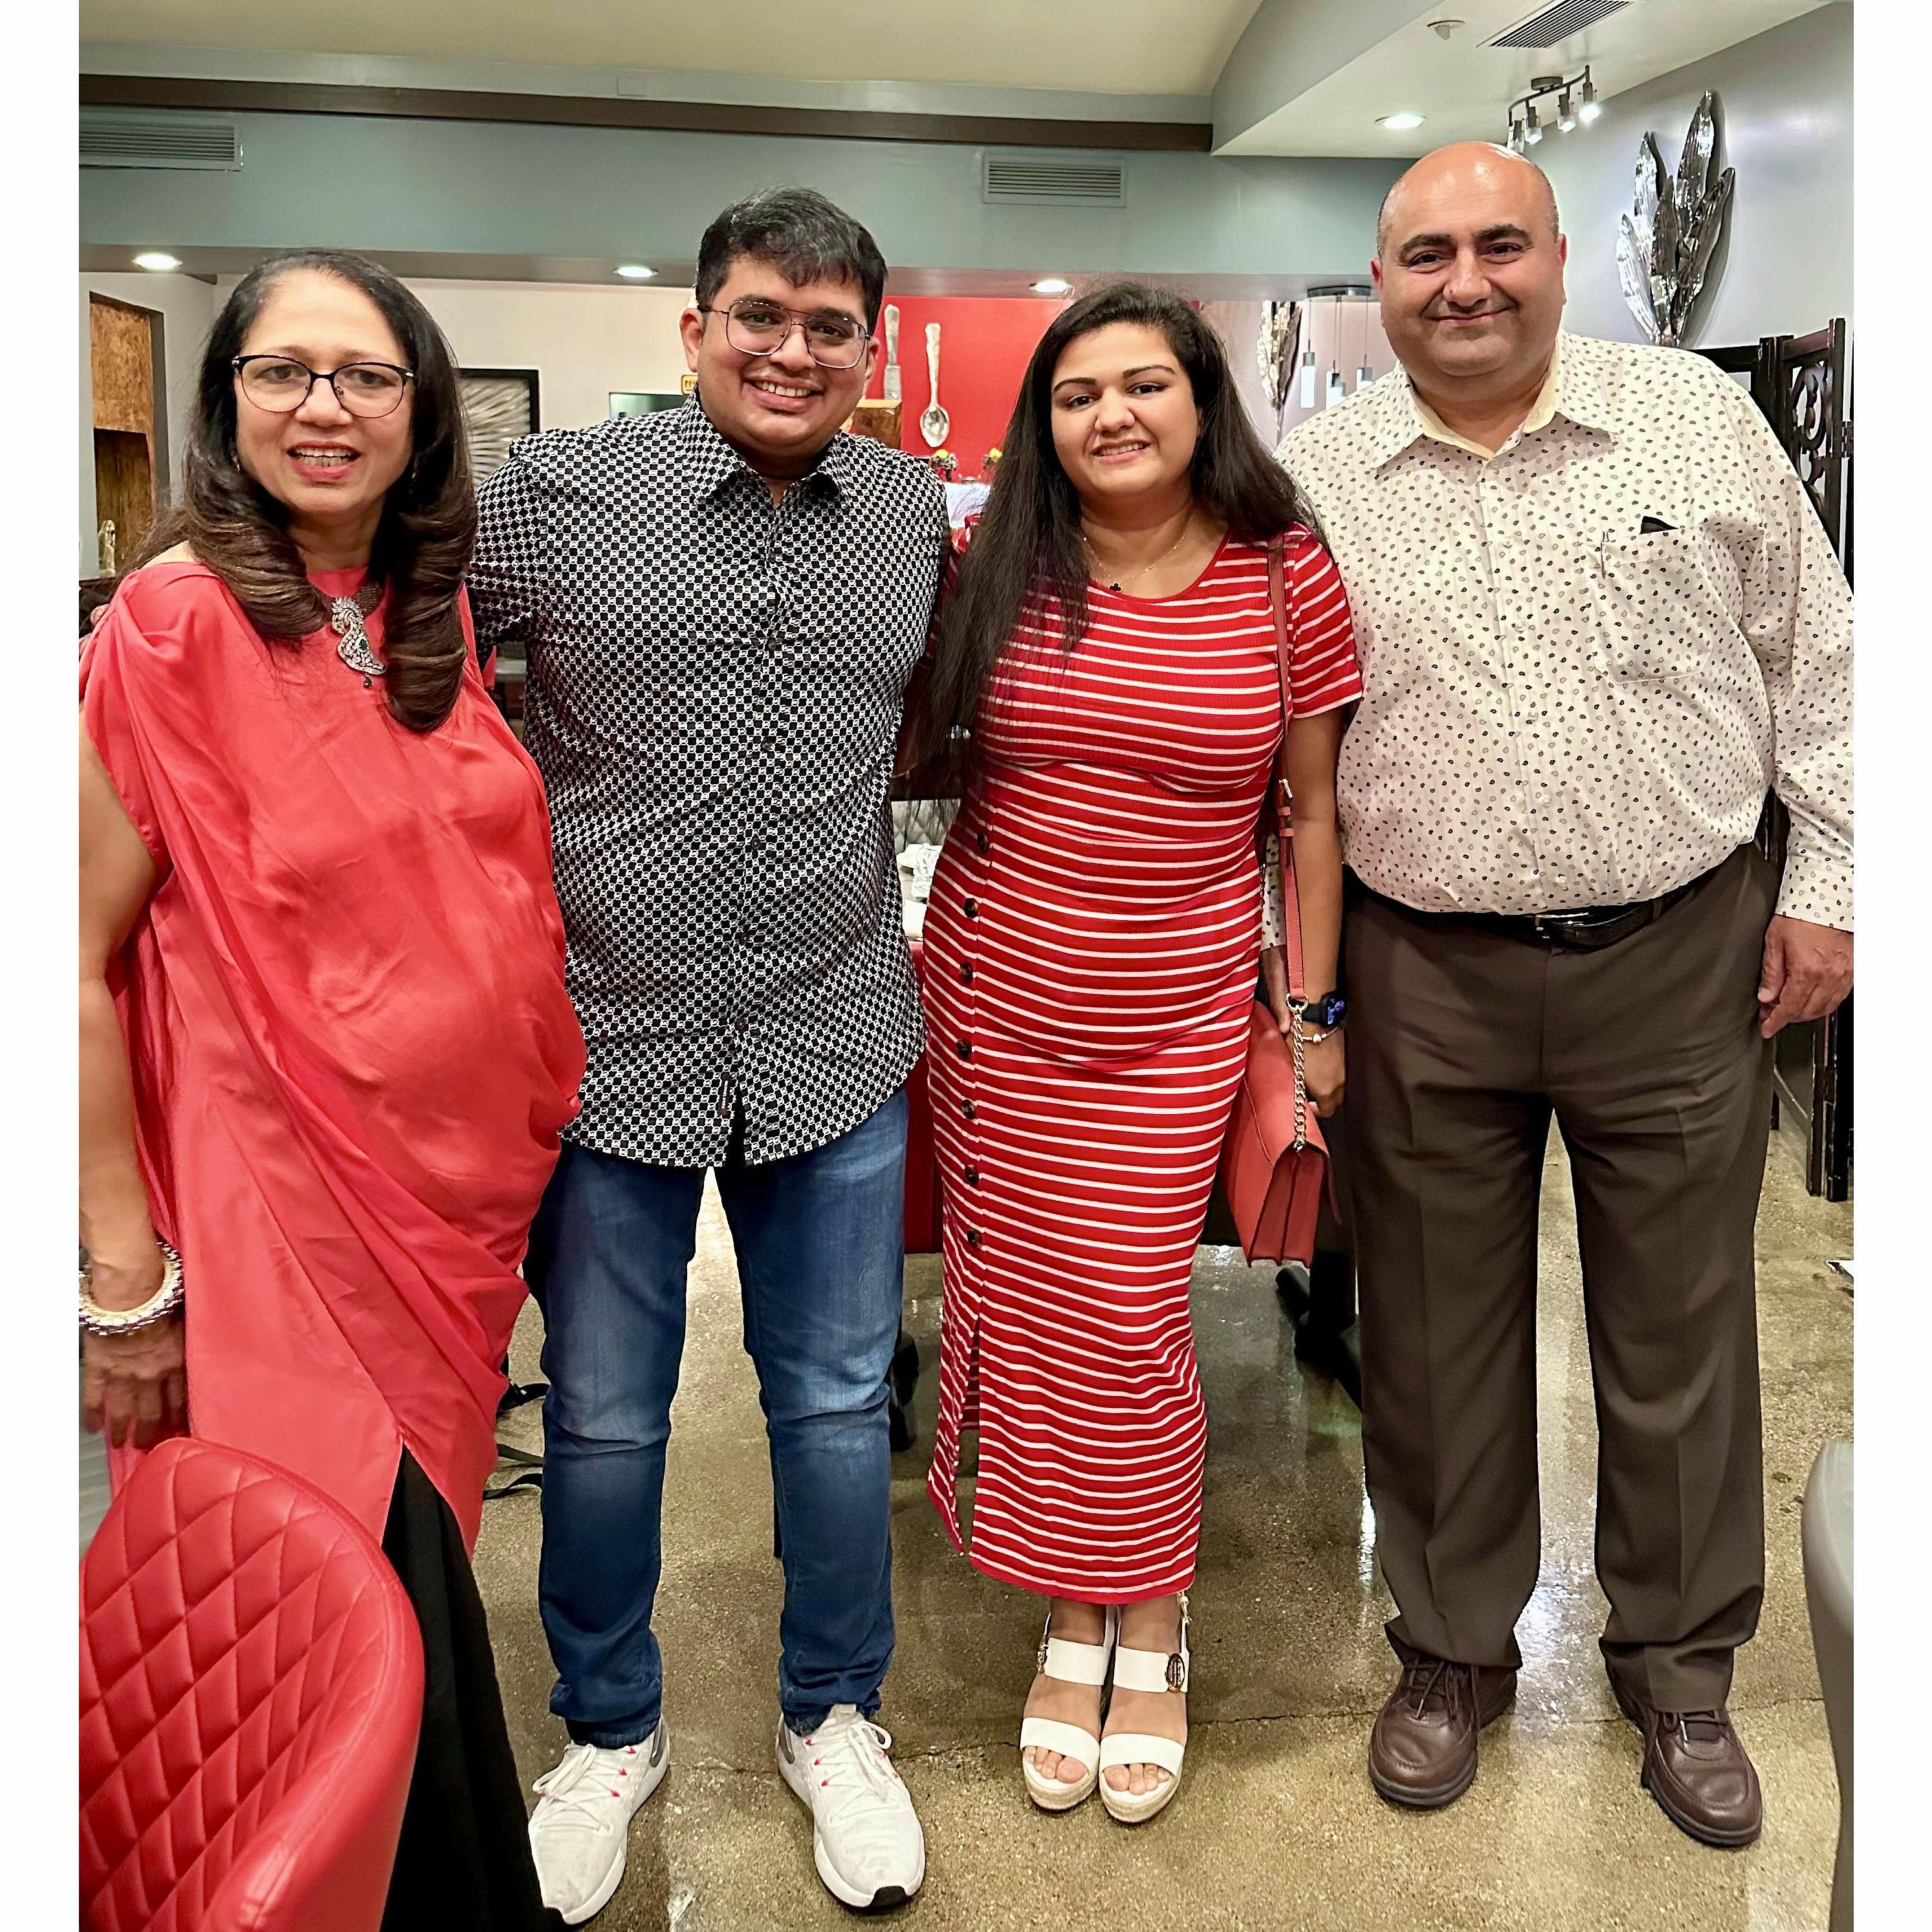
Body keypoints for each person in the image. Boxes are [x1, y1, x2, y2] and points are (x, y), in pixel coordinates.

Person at [1280, 143, 1853, 1848]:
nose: (1465, 281)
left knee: (1681, 1330)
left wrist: (1829, 891)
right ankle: (1451, 1648)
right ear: (1378, 285)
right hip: (1418, 961)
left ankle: (1678, 1666)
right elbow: (1282, 751)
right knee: (1436, 1335)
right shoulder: (1318, 471)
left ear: (1555, 261)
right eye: (1426, 254)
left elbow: (1823, 667)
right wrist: (1295, 992)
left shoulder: (1689, 418)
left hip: (1679, 947)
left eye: (1499, 245)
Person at [78, 249, 586, 1930]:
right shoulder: (168, 626)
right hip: (276, 1223)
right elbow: (65, 964)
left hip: (450, 1222)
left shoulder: (416, 620)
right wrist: (122, 1284)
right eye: (284, 370)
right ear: (228, 401)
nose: (324, 405)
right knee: (337, 1619)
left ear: (420, 411)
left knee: (421, 1589)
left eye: (364, 374)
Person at [468, 188, 946, 1921]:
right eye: (758, 314)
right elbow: (382, 654)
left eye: (829, 328)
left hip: (831, 1032)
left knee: (831, 1408)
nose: (790, 350)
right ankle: (606, 1726)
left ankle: (836, 1713)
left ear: (869, 355)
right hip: (611, 1042)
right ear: (693, 331)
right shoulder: (548, 502)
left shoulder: (909, 516)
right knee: (600, 1416)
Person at [908, 283, 1361, 1823]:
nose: (1110, 413)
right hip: (992, 1000)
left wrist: (1313, 1018)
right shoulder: (992, 563)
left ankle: (1146, 1603)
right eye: (1075, 392)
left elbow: (1308, 815)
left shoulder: (1282, 566)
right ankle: (1070, 1608)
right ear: (1043, 424)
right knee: (1028, 1311)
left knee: (1123, 1317)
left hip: (1170, 1013)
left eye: (1141, 384)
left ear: (1198, 401)